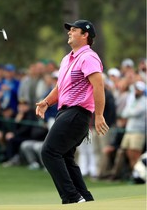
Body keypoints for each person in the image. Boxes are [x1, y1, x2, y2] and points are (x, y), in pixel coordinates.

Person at [36, 20, 109, 204]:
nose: (69, 32)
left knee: (49, 152)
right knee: (65, 157)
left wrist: (99, 115)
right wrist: (46, 102)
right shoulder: (68, 58)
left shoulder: (88, 57)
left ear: (85, 35)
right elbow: (61, 87)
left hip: (77, 113)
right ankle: (85, 198)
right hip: (66, 113)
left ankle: (72, 198)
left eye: (74, 30)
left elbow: (98, 86)